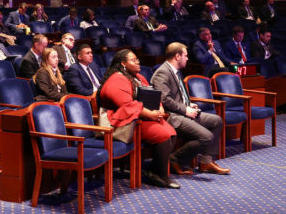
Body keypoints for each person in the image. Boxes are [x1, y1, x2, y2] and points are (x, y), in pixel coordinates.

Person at [98, 49, 178, 188]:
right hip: (121, 122)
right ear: (123, 63)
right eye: (133, 60)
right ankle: (161, 175)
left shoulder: (138, 77)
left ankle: (154, 171)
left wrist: (159, 108)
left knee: (171, 132)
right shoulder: (116, 79)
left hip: (139, 119)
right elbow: (128, 105)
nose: (138, 62)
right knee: (164, 134)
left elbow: (152, 94)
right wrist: (150, 114)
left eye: (137, 59)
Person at [152, 42, 229, 176]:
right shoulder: (162, 73)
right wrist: (185, 109)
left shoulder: (176, 71)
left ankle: (205, 162)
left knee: (217, 120)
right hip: (173, 117)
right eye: (185, 56)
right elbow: (164, 99)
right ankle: (174, 158)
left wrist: (188, 104)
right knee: (207, 137)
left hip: (183, 112)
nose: (187, 58)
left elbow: (178, 95)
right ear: (177, 56)